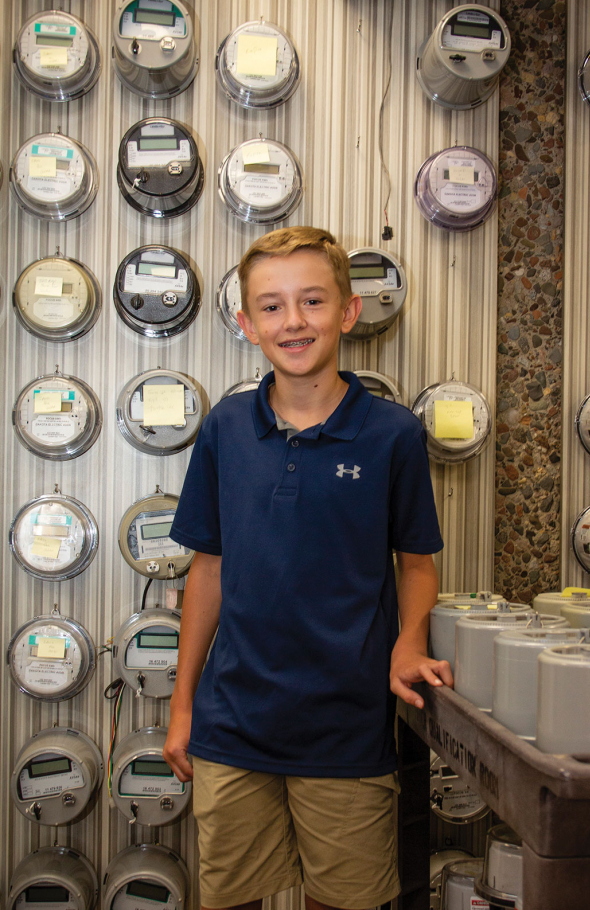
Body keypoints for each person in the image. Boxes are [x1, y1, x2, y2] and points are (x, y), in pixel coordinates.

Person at [164, 226, 453, 910]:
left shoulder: (394, 435)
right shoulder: (225, 428)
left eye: (313, 301)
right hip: (232, 725)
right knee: (228, 898)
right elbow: (208, 569)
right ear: (247, 323)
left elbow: (416, 564)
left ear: (348, 312)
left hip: (346, 730)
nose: (293, 321)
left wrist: (409, 641)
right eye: (272, 306)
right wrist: (182, 707)